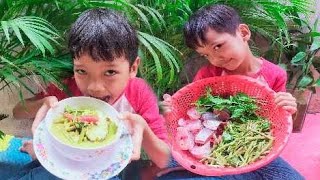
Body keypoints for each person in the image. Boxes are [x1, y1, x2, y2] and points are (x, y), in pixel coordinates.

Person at [9, 8, 170, 179]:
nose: (95, 87)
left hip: (109, 168)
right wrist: (41, 104)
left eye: (110, 72)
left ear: (133, 68)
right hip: (66, 163)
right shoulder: (67, 89)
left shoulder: (139, 92)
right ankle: (37, 155)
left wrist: (144, 129)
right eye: (82, 71)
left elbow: (163, 159)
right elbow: (17, 112)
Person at [160, 4, 303, 180]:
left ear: (243, 33)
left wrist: (290, 109)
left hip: (255, 143)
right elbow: (194, 112)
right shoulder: (207, 75)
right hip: (214, 146)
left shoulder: (275, 75)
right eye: (205, 55)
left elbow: (279, 119)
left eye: (218, 46)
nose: (215, 59)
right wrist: (170, 109)